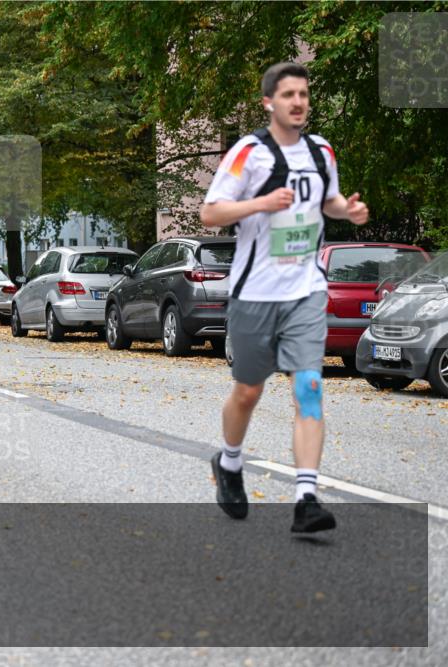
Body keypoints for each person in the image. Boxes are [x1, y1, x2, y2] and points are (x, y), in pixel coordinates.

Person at [200, 62, 369, 534]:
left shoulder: (321, 151)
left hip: (306, 291)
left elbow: (328, 201)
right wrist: (260, 203)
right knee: (248, 391)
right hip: (255, 294)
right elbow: (210, 212)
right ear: (268, 103)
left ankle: (306, 498)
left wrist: (347, 211)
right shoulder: (248, 153)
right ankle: (229, 463)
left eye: (304, 94)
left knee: (309, 388)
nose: (299, 102)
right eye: (289, 94)